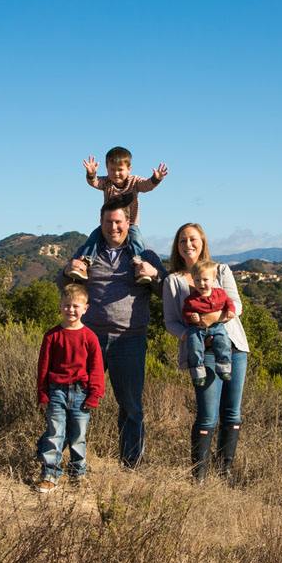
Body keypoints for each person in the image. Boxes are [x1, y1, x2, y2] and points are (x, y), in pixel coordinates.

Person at [58, 198, 167, 469]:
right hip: (89, 339)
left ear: (128, 224)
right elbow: (62, 284)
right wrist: (66, 269)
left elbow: (166, 292)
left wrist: (154, 275)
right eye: (108, 222)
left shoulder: (146, 255)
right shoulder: (88, 254)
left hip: (130, 339)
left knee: (131, 406)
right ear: (101, 223)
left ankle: (131, 465)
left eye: (119, 222)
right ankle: (62, 461)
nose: (113, 227)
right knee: (74, 398)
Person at [162, 223, 250, 484]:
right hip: (203, 354)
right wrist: (190, 334)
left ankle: (226, 472)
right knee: (207, 414)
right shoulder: (173, 281)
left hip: (235, 348)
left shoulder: (221, 270)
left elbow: (238, 305)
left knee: (232, 412)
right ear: (176, 247)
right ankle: (198, 476)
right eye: (182, 241)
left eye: (193, 239)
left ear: (202, 242)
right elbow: (171, 322)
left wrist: (210, 319)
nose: (188, 244)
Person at [35, 284, 105, 493]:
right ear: (60, 306)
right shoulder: (52, 336)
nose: (71, 310)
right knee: (55, 433)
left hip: (81, 394)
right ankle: (50, 474)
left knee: (78, 436)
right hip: (56, 391)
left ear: (85, 308)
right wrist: (42, 391)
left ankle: (77, 474)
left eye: (76, 306)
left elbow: (96, 368)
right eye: (67, 305)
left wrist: (95, 394)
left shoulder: (90, 337)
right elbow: (43, 366)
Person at [70, 146, 168, 284]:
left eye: (120, 170)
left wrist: (155, 179)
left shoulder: (134, 182)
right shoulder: (107, 183)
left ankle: (139, 265)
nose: (116, 173)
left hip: (131, 223)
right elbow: (95, 182)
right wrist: (91, 174)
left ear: (129, 169)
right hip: (109, 223)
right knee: (94, 237)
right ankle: (86, 262)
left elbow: (146, 186)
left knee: (136, 240)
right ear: (107, 169)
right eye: (112, 170)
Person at [182, 259, 236, 387]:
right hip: (197, 328)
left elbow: (229, 302)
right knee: (194, 346)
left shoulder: (220, 293)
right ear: (193, 280)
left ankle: (223, 368)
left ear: (213, 280)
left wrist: (230, 311)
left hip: (217, 326)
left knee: (223, 342)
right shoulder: (190, 299)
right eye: (197, 280)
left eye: (205, 280)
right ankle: (198, 373)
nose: (201, 283)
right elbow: (186, 312)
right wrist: (191, 317)